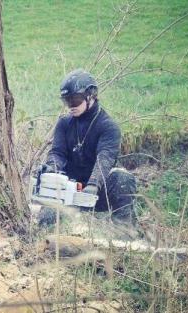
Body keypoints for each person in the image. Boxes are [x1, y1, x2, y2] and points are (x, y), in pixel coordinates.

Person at [38, 69, 137, 227]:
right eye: (67, 101)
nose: (71, 106)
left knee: (122, 179)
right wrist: (51, 167)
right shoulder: (64, 124)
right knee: (46, 219)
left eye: (75, 100)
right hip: (69, 187)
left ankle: (125, 232)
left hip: (97, 189)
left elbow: (105, 158)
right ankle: (46, 238)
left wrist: (93, 184)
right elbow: (58, 153)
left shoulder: (108, 127)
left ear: (91, 95)